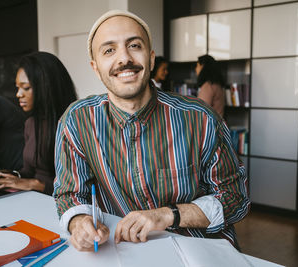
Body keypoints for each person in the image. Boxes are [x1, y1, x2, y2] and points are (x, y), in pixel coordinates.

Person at [53, 10, 249, 252]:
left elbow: (235, 199)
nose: (124, 58)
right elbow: (69, 194)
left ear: (152, 58)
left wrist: (168, 215)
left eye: (134, 45)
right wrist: (79, 222)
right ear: (95, 67)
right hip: (130, 253)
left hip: (202, 250)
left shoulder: (200, 118)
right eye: (109, 50)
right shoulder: (77, 121)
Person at [0, 52, 77, 195]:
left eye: (26, 87)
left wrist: (35, 184)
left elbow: (78, 184)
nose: (18, 94)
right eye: (18, 87)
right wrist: (8, 175)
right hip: (34, 198)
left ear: (46, 86)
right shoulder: (31, 123)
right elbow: (29, 171)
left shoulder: (74, 124)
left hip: (60, 203)